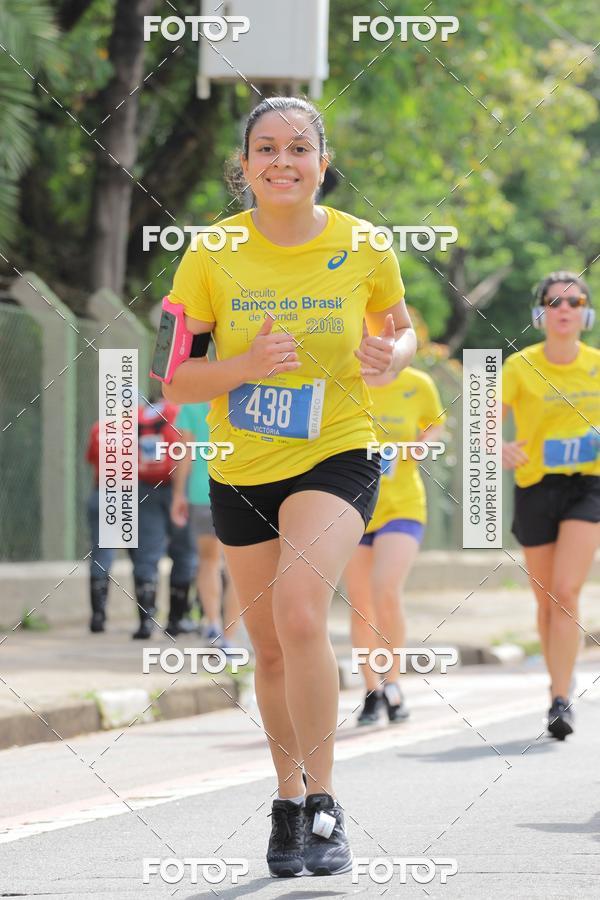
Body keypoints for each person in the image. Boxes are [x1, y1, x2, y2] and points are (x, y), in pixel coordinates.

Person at [161, 96, 416, 877]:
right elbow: (177, 381)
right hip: (240, 466)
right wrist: (242, 368)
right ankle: (286, 797)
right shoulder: (212, 252)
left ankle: (327, 801)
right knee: (268, 647)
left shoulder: (365, 244)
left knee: (302, 611)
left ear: (322, 162)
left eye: (298, 148)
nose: (282, 161)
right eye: (265, 149)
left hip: (336, 452)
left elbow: (398, 327)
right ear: (243, 167)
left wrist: (394, 356)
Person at [502, 271, 600, 740]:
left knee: (565, 591)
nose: (565, 309)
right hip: (536, 488)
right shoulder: (520, 367)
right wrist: (497, 448)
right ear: (541, 314)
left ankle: (562, 699)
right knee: (545, 603)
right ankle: (557, 683)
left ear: (586, 312)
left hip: (589, 487)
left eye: (574, 301)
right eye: (555, 302)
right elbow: (481, 424)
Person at [344, 366, 446, 725]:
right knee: (360, 606)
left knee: (384, 588)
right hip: (353, 507)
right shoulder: (344, 378)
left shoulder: (417, 383)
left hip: (402, 505)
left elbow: (436, 425)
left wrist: (425, 443)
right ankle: (372, 691)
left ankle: (393, 683)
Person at [85, 396, 197, 638]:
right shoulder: (179, 414)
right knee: (184, 553)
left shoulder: (103, 428)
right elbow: (185, 452)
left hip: (134, 490)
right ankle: (176, 620)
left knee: (139, 555)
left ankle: (140, 621)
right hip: (176, 488)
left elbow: (92, 459)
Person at [170, 401, 240, 648]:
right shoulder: (239, 393)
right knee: (236, 568)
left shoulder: (190, 404)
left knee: (208, 561)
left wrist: (179, 494)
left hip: (202, 492)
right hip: (238, 490)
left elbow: (185, 454)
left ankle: (213, 624)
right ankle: (230, 637)